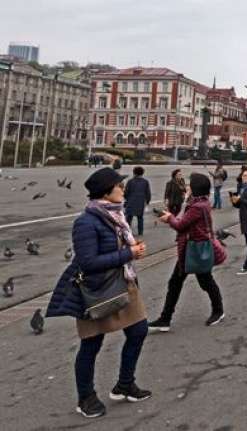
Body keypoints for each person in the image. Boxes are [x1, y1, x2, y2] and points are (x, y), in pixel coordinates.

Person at [46, 167, 150, 418]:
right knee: (92, 344)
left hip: (123, 282)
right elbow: (88, 261)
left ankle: (125, 383)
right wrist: (129, 253)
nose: (123, 189)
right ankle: (86, 397)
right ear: (106, 191)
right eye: (119, 186)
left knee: (139, 330)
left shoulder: (117, 215)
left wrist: (131, 248)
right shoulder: (86, 221)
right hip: (96, 290)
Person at [149, 173, 224, 332]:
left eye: (190, 185)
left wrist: (169, 218)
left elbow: (181, 225)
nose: (188, 187)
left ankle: (218, 310)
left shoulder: (197, 207)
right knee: (177, 283)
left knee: (204, 282)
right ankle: (165, 319)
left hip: (194, 251)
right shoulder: (199, 203)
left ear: (195, 188)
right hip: (189, 249)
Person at [124, 166, 151, 237]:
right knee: (140, 218)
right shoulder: (145, 182)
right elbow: (148, 193)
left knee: (129, 218)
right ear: (142, 173)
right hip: (140, 203)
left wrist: (126, 199)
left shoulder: (130, 181)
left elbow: (126, 192)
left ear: (134, 173)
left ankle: (127, 231)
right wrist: (147, 202)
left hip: (130, 202)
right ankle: (140, 232)